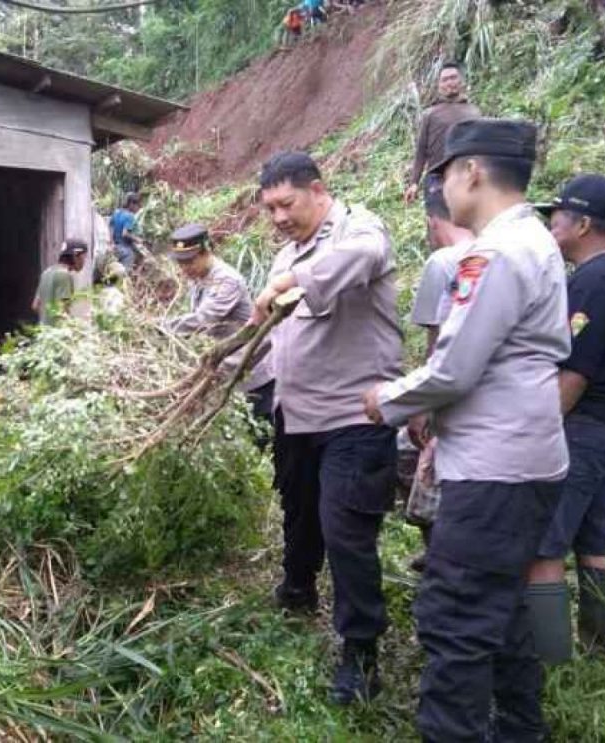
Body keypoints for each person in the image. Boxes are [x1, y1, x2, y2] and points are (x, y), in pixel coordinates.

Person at [364, 118, 570, 742]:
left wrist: (385, 399)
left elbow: (453, 369)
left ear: (471, 172)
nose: (442, 192)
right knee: (501, 609)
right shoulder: (535, 239)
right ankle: (519, 730)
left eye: (445, 177)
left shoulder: (496, 253)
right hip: (528, 459)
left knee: (455, 616)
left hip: (492, 469)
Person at [251, 151, 402, 706]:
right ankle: (298, 589)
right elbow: (275, 334)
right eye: (269, 209)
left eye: (286, 204)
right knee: (298, 510)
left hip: (353, 416)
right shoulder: (287, 253)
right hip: (297, 414)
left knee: (346, 531)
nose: (278, 218)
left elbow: (365, 256)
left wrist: (290, 278)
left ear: (318, 190)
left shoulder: (359, 228)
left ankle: (361, 652)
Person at [526, 175, 605, 662]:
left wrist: (538, 431)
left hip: (589, 428)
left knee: (544, 544)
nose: (550, 229)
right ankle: (602, 653)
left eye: (555, 219)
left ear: (582, 225)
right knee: (593, 542)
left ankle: (549, 664)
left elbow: (575, 372)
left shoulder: (593, 281)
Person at [402, 188, 475, 572]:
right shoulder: (503, 250)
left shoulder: (443, 261)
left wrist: (420, 407)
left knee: (411, 455)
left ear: (432, 221)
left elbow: (436, 342)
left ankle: (439, 551)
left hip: (448, 389)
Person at [165, 224, 275, 422]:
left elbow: (204, 319)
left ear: (206, 251)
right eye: (180, 263)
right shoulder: (200, 276)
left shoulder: (226, 280)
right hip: (228, 367)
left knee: (261, 428)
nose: (184, 268)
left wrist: (163, 327)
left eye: (189, 262)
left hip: (252, 370)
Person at [404, 62, 481, 224]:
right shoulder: (430, 115)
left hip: (465, 178)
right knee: (439, 227)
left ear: (461, 81)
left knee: (467, 227)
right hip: (437, 181)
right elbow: (421, 150)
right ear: (439, 85)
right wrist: (414, 183)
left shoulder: (474, 112)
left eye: (453, 78)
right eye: (445, 79)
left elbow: (480, 149)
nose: (449, 83)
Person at [32, 239, 88, 325]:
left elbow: (35, 306)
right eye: (84, 257)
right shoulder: (65, 275)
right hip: (56, 330)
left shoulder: (46, 272)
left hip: (43, 330)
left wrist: (47, 318)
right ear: (76, 256)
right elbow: (63, 311)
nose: (84, 261)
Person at [108, 193, 141, 271]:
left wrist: (111, 243)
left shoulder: (116, 212)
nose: (138, 208)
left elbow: (110, 228)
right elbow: (125, 233)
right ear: (131, 204)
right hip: (125, 249)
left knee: (112, 270)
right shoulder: (130, 216)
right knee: (124, 272)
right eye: (137, 206)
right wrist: (137, 239)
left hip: (114, 247)